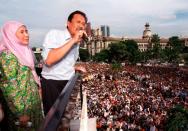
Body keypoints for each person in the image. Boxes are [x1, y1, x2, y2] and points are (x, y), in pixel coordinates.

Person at [41, 10, 87, 115]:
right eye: (78, 22)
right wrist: (73, 40)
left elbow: (64, 61)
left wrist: (73, 68)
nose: (81, 26)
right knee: (54, 119)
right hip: (52, 83)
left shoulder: (76, 42)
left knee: (65, 118)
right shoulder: (54, 34)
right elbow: (49, 60)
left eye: (83, 24)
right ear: (68, 23)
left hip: (68, 83)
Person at [0, 21, 43, 130]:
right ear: (11, 35)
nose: (26, 34)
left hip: (32, 105)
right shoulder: (8, 55)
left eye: (27, 31)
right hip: (22, 109)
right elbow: (10, 86)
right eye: (22, 32)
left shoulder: (26, 50)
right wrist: (20, 112)